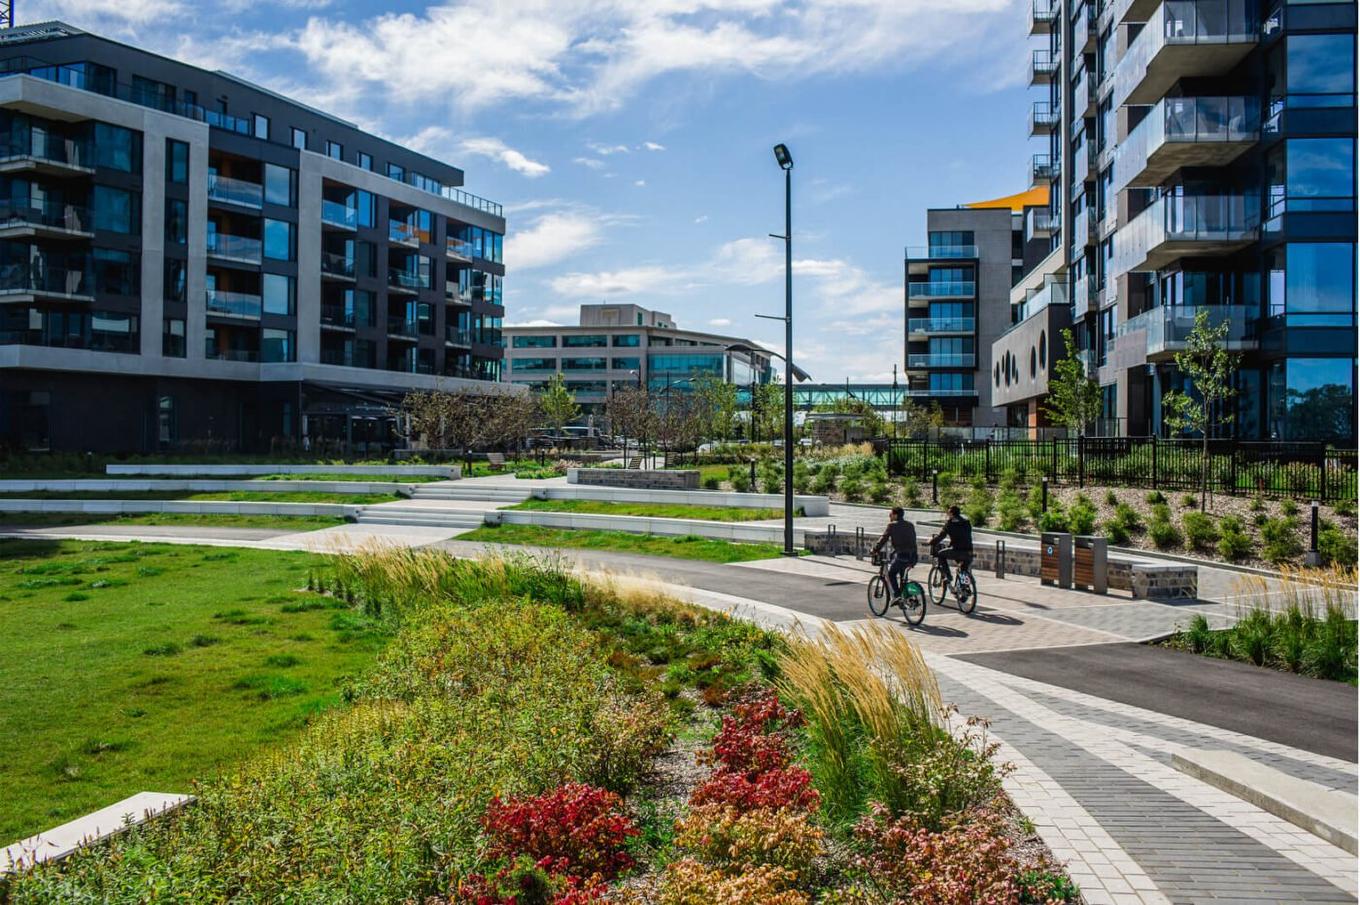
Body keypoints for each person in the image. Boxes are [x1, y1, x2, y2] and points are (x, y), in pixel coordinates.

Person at [871, 506, 917, 599]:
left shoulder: (892, 525)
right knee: (903, 575)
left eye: (890, 514)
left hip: (901, 555)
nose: (889, 516)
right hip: (912, 556)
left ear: (895, 515)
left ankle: (897, 596)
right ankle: (907, 597)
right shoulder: (910, 525)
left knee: (891, 574)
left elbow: (883, 539)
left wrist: (875, 550)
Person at [929, 504, 974, 587]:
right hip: (969, 551)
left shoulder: (949, 524)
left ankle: (948, 576)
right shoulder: (967, 523)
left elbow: (941, 536)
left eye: (948, 513)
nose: (948, 515)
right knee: (963, 569)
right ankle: (965, 588)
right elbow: (964, 536)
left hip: (957, 550)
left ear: (951, 514)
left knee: (941, 554)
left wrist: (931, 542)